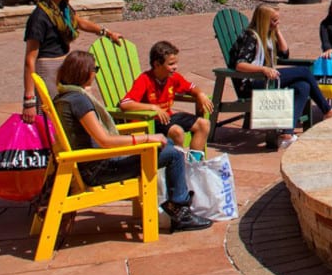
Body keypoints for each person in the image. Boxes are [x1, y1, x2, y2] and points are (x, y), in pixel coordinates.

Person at [50, 51, 211, 233]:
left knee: (167, 145)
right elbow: (105, 140)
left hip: (87, 164)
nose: (95, 73)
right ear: (84, 72)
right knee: (173, 154)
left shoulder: (64, 97)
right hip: (99, 169)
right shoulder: (79, 101)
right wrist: (147, 137)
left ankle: (177, 204)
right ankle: (181, 210)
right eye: (94, 69)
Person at [22, 0, 121, 127]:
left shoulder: (63, 8)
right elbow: (30, 60)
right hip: (47, 70)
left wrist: (107, 33)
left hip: (64, 66)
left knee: (69, 114)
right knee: (52, 118)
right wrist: (29, 99)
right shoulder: (39, 17)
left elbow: (79, 22)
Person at [230, 3, 332, 149]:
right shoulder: (250, 37)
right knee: (304, 72)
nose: (277, 22)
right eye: (274, 20)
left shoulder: (268, 35)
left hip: (267, 80)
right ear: (264, 20)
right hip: (251, 84)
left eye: (278, 19)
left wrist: (277, 30)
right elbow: (240, 65)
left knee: (303, 86)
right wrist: (263, 69)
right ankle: (327, 110)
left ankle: (287, 133)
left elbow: (284, 53)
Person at [120, 40, 213, 155]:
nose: (175, 67)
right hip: (151, 122)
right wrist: (153, 108)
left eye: (175, 63)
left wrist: (200, 94)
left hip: (167, 118)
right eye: (171, 64)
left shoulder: (173, 77)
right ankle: (178, 166)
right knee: (177, 131)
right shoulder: (144, 80)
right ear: (157, 64)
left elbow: (191, 87)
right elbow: (125, 103)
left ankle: (194, 165)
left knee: (204, 124)